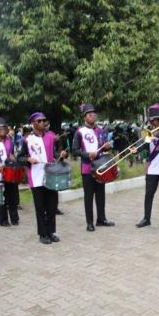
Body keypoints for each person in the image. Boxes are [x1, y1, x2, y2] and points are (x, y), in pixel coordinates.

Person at [17, 112, 66, 244]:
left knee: (52, 206)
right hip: (36, 177)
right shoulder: (27, 140)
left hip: (50, 176)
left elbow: (54, 154)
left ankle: (51, 232)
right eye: (39, 121)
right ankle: (42, 234)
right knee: (40, 207)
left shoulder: (50, 136)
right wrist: (28, 159)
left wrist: (61, 154)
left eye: (44, 120)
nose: (43, 123)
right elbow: (19, 158)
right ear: (33, 123)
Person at [72, 104, 115, 232]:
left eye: (94, 114)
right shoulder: (80, 132)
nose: (93, 116)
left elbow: (102, 146)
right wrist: (87, 154)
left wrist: (107, 146)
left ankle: (101, 219)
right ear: (85, 117)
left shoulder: (101, 130)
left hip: (101, 166)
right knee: (89, 196)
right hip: (87, 168)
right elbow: (74, 150)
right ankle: (89, 222)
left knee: (101, 195)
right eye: (90, 114)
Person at [0, 117, 20, 227]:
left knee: (12, 195)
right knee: (1, 197)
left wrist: (13, 158)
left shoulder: (10, 142)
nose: (2, 130)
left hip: (9, 171)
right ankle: (3, 219)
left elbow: (12, 155)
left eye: (4, 128)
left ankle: (14, 218)